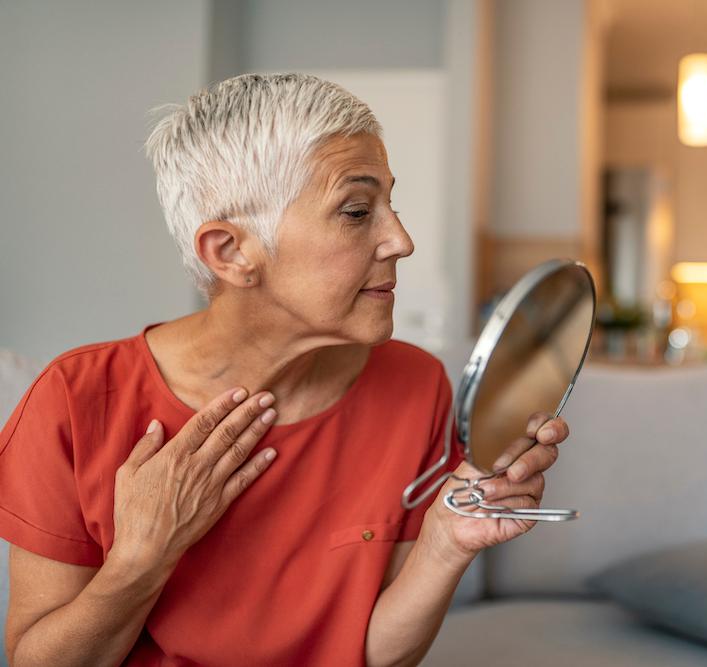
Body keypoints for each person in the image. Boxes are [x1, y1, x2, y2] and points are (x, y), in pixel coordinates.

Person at [0, 73, 570, 666]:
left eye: (389, 204)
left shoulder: (415, 386)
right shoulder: (73, 400)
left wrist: (446, 543)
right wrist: (143, 555)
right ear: (232, 252)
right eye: (356, 211)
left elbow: (371, 655)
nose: (401, 240)